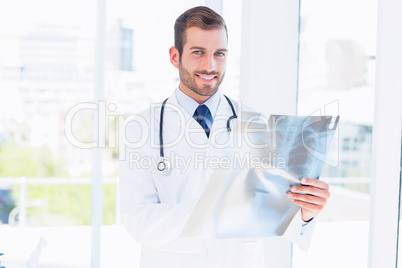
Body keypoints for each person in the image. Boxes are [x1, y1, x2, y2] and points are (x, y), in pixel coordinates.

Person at [119, 6, 330, 268]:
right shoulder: (141, 127)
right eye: (198, 52)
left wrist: (306, 212)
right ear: (175, 56)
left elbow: (273, 209)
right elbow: (136, 218)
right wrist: (213, 210)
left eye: (220, 54)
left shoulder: (255, 123)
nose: (211, 65)